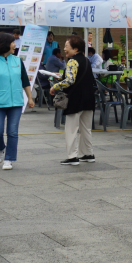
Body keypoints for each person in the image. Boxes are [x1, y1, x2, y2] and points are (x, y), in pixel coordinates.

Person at [0, 32, 33, 171]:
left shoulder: (17, 61)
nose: (15, 45)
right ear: (5, 44)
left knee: (12, 132)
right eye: (12, 42)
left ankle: (9, 158)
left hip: (16, 101)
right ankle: (0, 148)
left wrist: (30, 97)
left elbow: (24, 80)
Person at [50, 35, 96, 166]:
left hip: (76, 99)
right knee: (86, 128)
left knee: (71, 129)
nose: (64, 49)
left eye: (66, 47)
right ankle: (88, 154)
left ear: (75, 49)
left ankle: (72, 157)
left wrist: (55, 86)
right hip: (89, 98)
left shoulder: (72, 61)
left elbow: (70, 80)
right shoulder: (86, 60)